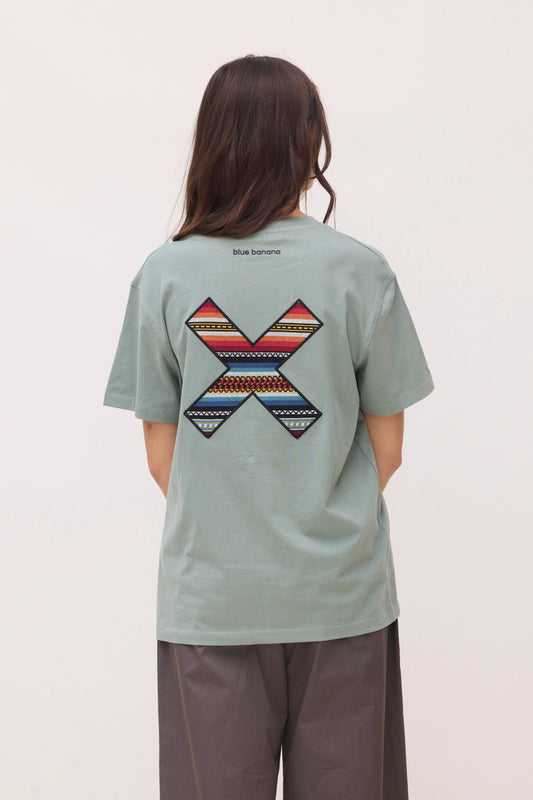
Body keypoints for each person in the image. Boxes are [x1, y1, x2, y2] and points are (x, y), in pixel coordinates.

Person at [103, 54, 435, 800]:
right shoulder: (359, 271)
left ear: (212, 141)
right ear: (307, 142)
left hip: (210, 601)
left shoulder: (165, 275)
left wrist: (238, 523)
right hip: (341, 598)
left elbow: (160, 455)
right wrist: (311, 520)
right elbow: (388, 449)